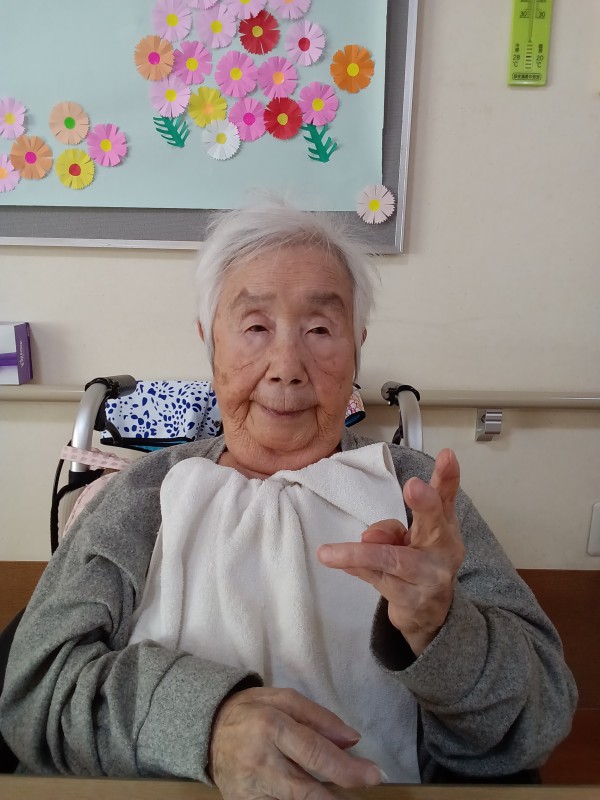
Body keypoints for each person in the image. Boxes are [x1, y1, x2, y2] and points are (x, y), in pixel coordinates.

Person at [0, 201, 577, 795]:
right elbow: (33, 694)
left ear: (357, 347)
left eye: (320, 330)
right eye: (254, 327)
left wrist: (442, 629)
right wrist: (208, 724)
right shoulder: (143, 495)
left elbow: (539, 719)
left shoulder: (415, 493)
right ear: (210, 342)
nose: (286, 367)